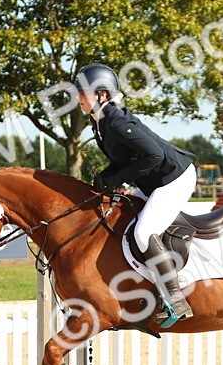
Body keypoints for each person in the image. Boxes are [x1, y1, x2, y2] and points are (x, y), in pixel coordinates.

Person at [76, 63, 197, 327]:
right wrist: (107, 176)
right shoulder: (99, 122)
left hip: (174, 178)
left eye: (83, 92)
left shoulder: (116, 121)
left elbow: (153, 155)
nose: (78, 97)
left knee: (143, 233)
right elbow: (127, 158)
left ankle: (176, 299)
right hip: (154, 180)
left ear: (102, 94)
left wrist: (118, 178)